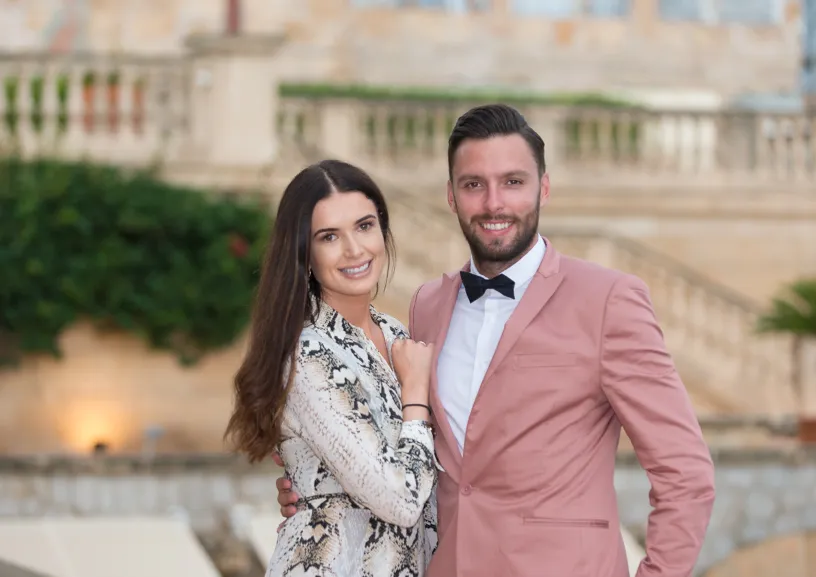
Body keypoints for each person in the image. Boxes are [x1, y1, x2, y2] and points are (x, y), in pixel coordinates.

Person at [276, 104, 716, 577]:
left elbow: (685, 475)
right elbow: (401, 443)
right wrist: (315, 486)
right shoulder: (427, 307)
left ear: (544, 187)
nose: (493, 204)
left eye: (513, 182)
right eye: (473, 185)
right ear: (451, 196)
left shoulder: (608, 300)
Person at [224, 159, 441, 577]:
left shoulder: (397, 336)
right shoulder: (306, 358)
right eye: (329, 237)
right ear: (304, 254)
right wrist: (416, 398)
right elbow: (399, 501)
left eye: (364, 226)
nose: (355, 250)